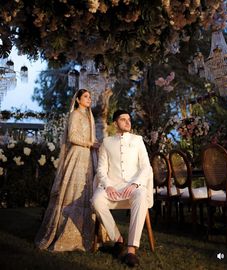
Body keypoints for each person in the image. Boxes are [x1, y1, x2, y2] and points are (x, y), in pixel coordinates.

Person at [35, 89, 99, 252]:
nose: (89, 99)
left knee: (87, 191)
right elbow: (72, 137)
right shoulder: (75, 115)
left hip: (88, 157)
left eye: (90, 97)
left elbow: (91, 138)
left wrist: (96, 144)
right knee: (73, 190)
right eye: (86, 96)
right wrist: (89, 144)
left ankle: (89, 234)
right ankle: (66, 232)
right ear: (78, 100)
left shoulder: (89, 116)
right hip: (77, 155)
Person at [91, 109, 153, 267]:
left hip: (133, 184)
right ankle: (118, 239)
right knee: (97, 200)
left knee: (141, 195)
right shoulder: (106, 142)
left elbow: (146, 166)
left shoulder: (138, 140)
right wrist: (108, 185)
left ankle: (131, 249)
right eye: (123, 119)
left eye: (129, 119)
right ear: (115, 123)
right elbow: (101, 169)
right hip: (112, 184)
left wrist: (135, 184)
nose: (127, 122)